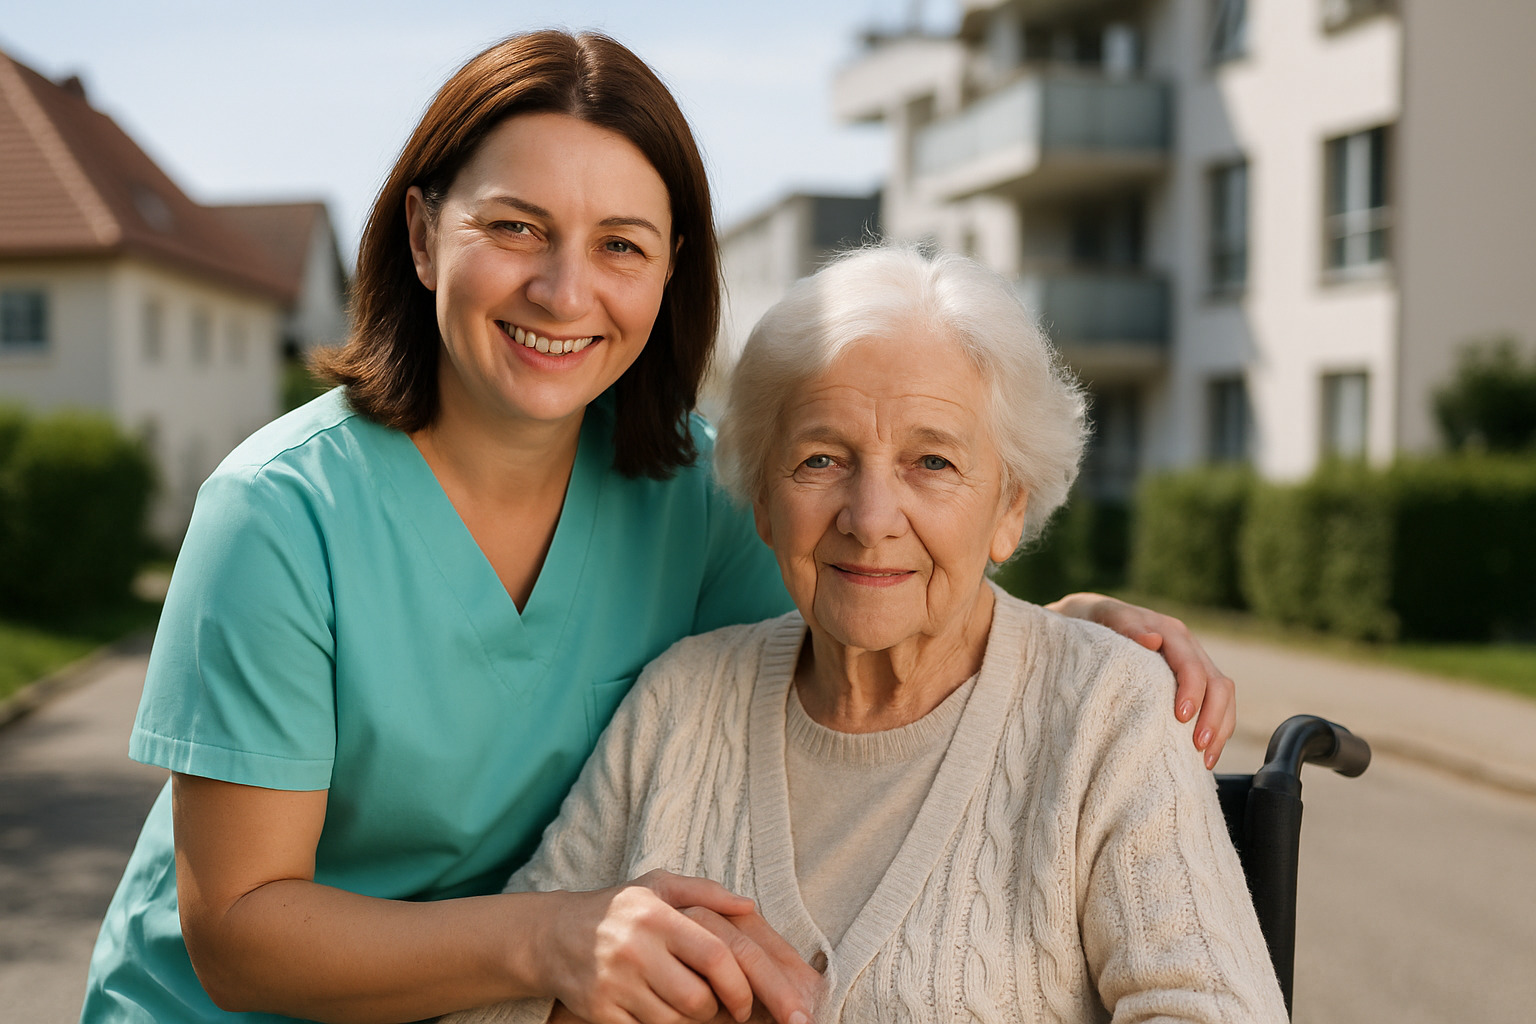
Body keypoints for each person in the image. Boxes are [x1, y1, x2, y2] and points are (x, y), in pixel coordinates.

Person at [81, 31, 1238, 1024]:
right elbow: (236, 928)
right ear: (426, 237)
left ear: (671, 271)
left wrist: (1059, 643)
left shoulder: (691, 491)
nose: (564, 290)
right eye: (518, 227)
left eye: (621, 244)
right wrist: (551, 938)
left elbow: (877, 594)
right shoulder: (280, 512)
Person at [443, 247, 1287, 1024]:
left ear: (1010, 507)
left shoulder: (1108, 711)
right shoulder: (679, 700)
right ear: (764, 503)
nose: (871, 518)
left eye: (933, 463)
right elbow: (486, 1002)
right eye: (821, 459)